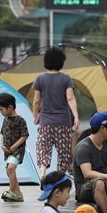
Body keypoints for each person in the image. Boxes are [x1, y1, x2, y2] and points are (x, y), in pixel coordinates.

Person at [32, 47, 78, 178]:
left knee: (43, 148)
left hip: (46, 121)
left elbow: (36, 100)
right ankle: (60, 177)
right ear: (61, 62)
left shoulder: (40, 79)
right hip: (63, 121)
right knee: (63, 152)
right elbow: (70, 98)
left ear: (46, 61)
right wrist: (76, 116)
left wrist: (35, 116)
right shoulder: (66, 78)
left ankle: (42, 172)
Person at [0, 93, 29, 202]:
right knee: (9, 171)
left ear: (10, 107)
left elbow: (25, 135)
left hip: (17, 150)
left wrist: (15, 145)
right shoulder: (5, 119)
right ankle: (18, 194)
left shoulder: (20, 120)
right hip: (7, 151)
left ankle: (11, 191)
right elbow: (2, 133)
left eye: (1, 110)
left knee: (11, 168)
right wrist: (2, 145)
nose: (1, 112)